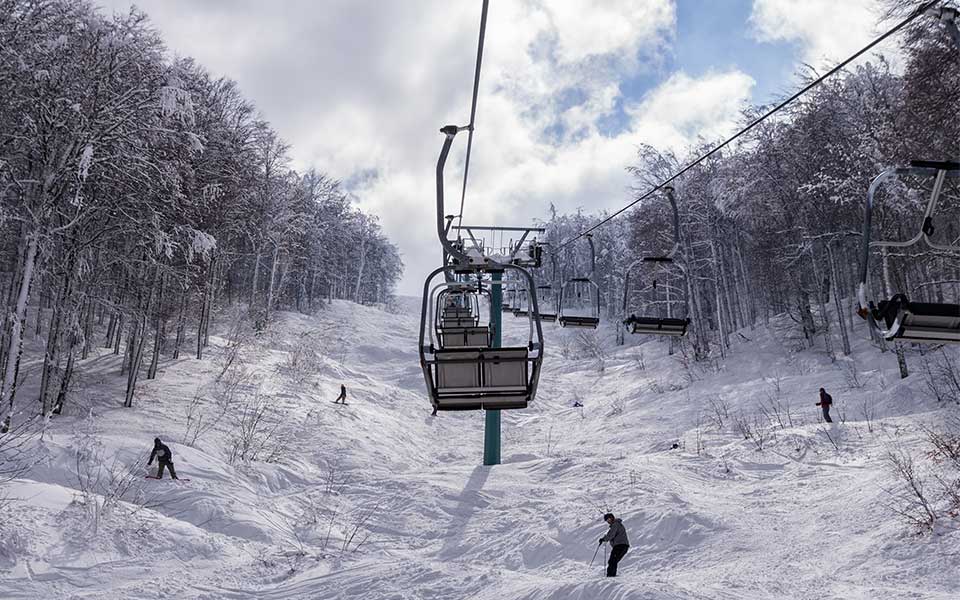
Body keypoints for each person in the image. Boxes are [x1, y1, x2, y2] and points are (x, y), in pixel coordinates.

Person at [598, 512, 630, 577]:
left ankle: (610, 576)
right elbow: (611, 535)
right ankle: (611, 576)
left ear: (612, 518)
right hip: (623, 546)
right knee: (613, 561)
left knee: (612, 561)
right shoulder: (616, 525)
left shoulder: (615, 524)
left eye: (609, 520)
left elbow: (611, 535)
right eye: (607, 521)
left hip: (620, 545)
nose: (608, 522)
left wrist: (604, 539)